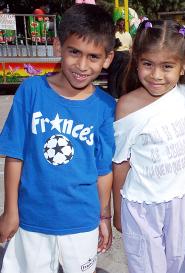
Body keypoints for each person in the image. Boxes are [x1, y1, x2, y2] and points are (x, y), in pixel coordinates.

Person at [0, 4, 115, 273]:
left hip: (82, 222)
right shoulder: (31, 91)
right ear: (57, 46)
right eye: (74, 52)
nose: (82, 65)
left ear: (107, 59)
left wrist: (104, 216)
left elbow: (103, 170)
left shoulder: (106, 107)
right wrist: (10, 211)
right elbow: (15, 154)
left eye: (93, 56)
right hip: (32, 220)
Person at [112, 20, 185, 273]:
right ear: (136, 62)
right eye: (148, 64)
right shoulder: (127, 106)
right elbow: (120, 162)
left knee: (180, 265)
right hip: (140, 206)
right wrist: (117, 209)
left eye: (167, 66)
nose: (156, 75)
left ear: (183, 64)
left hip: (183, 202)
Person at [107, 18, 132, 98]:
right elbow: (130, 45)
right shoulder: (128, 34)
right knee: (122, 76)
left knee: (113, 75)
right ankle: (120, 93)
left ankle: (112, 93)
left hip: (117, 54)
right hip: (126, 55)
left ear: (117, 25)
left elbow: (109, 44)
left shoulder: (114, 34)